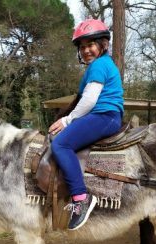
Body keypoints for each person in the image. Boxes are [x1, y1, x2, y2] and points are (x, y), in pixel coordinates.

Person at [49, 20, 125, 231]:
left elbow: (89, 100)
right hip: (104, 116)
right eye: (82, 47)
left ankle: (81, 198)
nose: (85, 50)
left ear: (104, 45)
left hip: (104, 116)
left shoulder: (99, 65)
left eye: (90, 45)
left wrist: (66, 120)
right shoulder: (100, 65)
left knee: (60, 145)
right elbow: (80, 100)